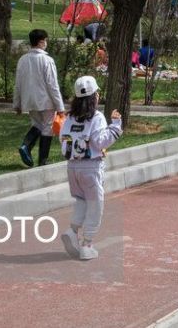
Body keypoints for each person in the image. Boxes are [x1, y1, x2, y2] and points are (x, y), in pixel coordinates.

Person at [59, 76, 123, 261]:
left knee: (81, 200)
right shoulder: (96, 117)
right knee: (95, 205)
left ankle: (72, 230)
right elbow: (101, 141)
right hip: (91, 168)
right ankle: (87, 244)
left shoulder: (69, 118)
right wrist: (115, 126)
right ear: (95, 96)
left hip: (72, 168)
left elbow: (63, 139)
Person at [13, 29, 65, 167]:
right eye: (45, 40)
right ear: (41, 42)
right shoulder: (47, 60)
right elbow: (52, 84)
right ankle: (42, 160)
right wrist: (60, 107)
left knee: (36, 125)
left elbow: (17, 84)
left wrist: (16, 104)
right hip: (46, 100)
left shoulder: (22, 60)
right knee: (47, 128)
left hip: (29, 100)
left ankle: (26, 145)